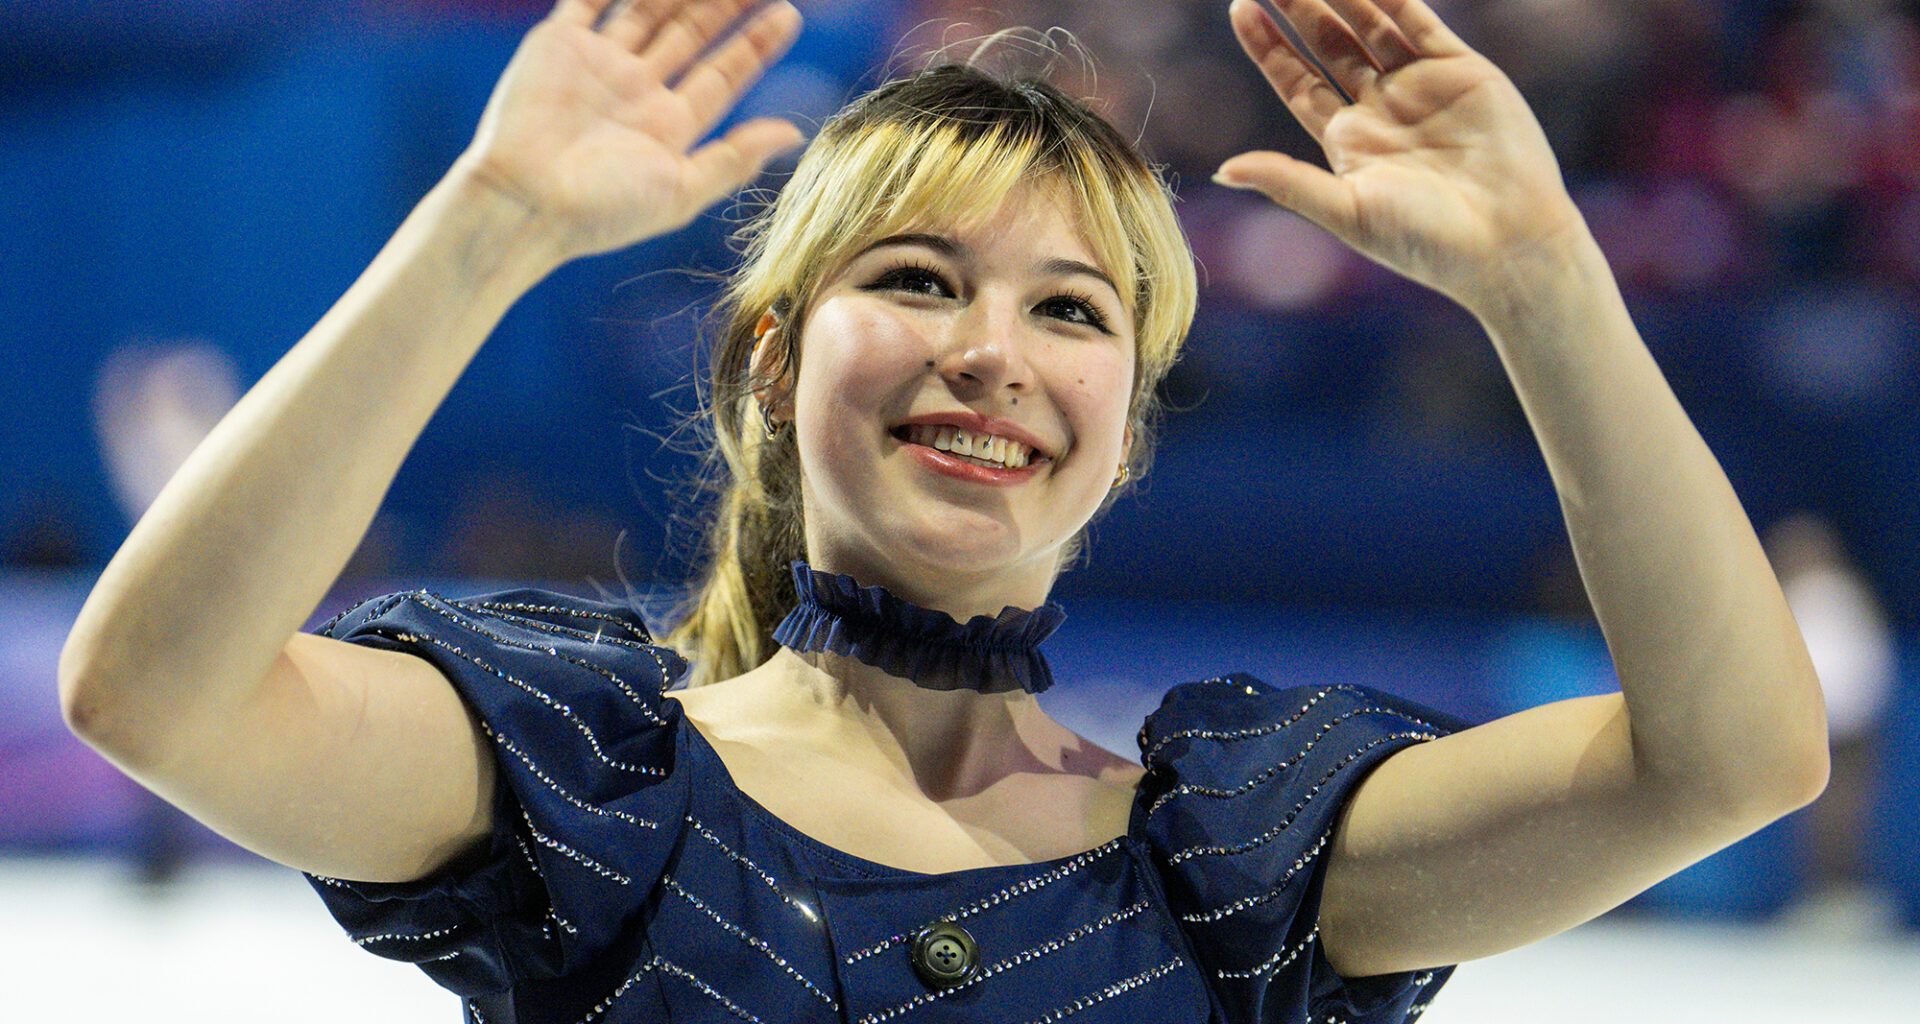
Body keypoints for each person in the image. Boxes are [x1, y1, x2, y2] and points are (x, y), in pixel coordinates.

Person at [57, 0, 1829, 1022]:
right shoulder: (592, 776)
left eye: (1071, 311)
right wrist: (487, 228)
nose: (992, 353)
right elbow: (160, 694)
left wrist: (1545, 285)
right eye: (918, 278)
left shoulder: (1241, 862)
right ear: (770, 361)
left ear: (1123, 428)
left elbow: (1733, 756)